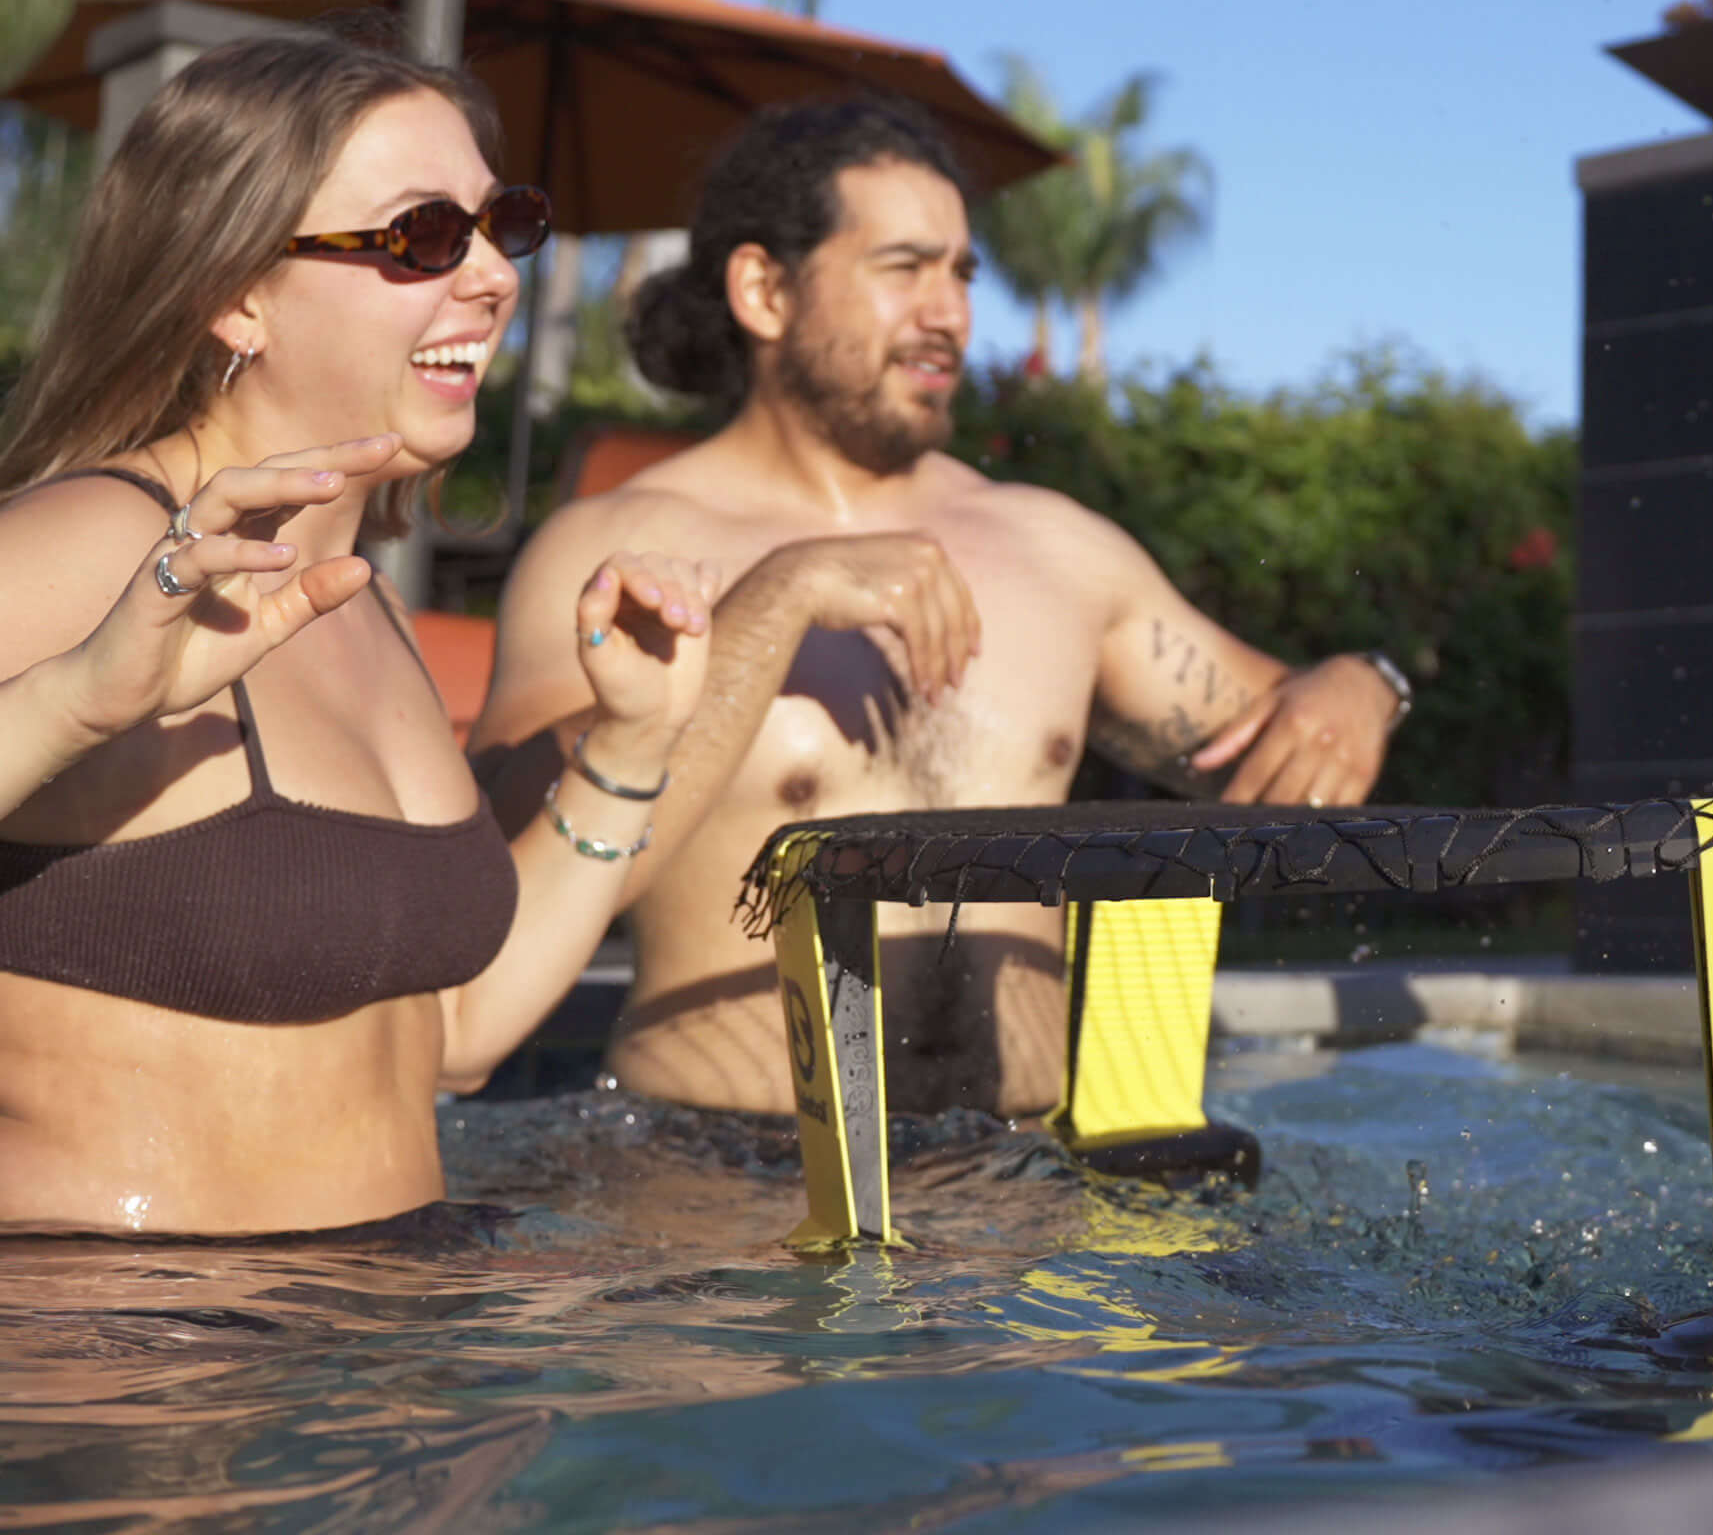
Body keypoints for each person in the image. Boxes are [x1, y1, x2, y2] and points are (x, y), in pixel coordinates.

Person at [477, 97, 1406, 1120]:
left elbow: (1281, 733)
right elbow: (491, 871)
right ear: (763, 289)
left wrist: (1367, 681)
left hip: (1021, 1200)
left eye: (962, 273)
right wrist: (774, 599)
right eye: (903, 267)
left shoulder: (1057, 548)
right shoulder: (615, 550)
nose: (950, 312)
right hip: (720, 1193)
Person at [0, 32, 719, 1236]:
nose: (493, 274)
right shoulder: (87, 544)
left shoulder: (354, 592)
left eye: (505, 222)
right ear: (234, 292)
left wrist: (633, 747)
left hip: (381, 1362)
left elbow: (455, 1034)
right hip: (122, 1365)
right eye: (425, 236)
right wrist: (70, 701)